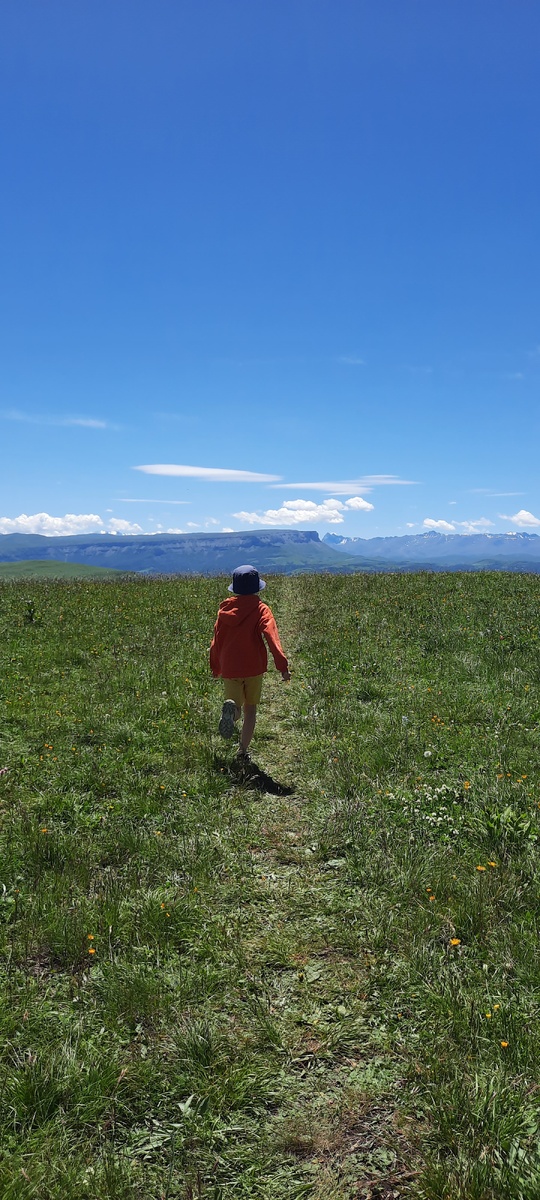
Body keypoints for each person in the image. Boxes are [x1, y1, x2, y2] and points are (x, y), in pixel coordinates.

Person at [210, 564, 291, 764]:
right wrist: (282, 666)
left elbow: (216, 640)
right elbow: (272, 637)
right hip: (253, 668)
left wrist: (216, 667)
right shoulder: (261, 609)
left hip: (230, 667)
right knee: (251, 709)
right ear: (257, 588)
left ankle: (231, 714)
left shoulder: (224, 611)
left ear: (234, 588)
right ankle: (242, 751)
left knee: (236, 705)